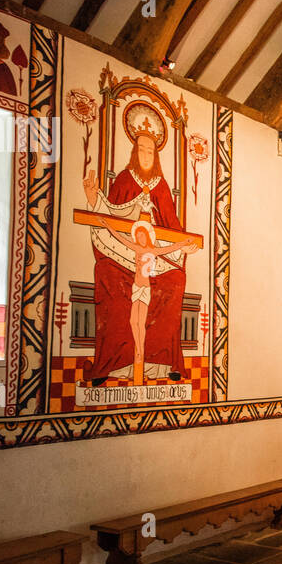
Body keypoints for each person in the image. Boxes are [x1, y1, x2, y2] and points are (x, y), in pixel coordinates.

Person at [81, 127, 192, 384]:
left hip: (154, 260)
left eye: (150, 151)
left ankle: (163, 363)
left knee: (176, 280)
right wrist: (93, 198)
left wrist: (184, 245)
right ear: (134, 153)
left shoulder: (161, 187)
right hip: (122, 256)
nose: (145, 155)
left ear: (156, 156)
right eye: (141, 150)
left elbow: (173, 227)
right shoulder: (123, 179)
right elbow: (107, 215)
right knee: (106, 273)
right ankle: (114, 365)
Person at [112, 222, 197, 383]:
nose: (140, 238)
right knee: (132, 321)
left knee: (141, 321)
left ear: (147, 236)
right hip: (136, 287)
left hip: (145, 288)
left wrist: (183, 243)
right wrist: (109, 227)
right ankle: (138, 346)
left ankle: (140, 350)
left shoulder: (152, 250)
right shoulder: (137, 248)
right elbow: (120, 239)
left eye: (142, 235)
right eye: (138, 236)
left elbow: (168, 249)